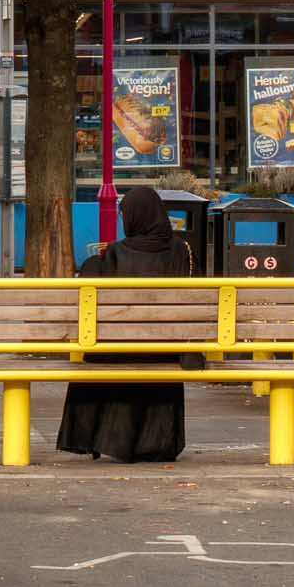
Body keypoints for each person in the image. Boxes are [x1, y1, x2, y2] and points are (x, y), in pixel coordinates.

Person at [54, 186, 195, 463]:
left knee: (98, 352)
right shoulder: (183, 251)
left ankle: (98, 438)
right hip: (165, 351)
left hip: (118, 349)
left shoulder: (115, 253)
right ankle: (155, 443)